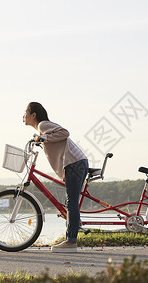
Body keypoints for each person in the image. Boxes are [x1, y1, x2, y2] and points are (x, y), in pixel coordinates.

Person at [23, 102, 88, 253]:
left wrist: (44, 138)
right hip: (75, 163)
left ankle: (71, 242)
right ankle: (72, 233)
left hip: (75, 163)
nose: (23, 116)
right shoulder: (42, 130)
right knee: (70, 202)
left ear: (33, 115)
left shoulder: (43, 125)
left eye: (25, 112)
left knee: (71, 202)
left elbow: (64, 132)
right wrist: (40, 138)